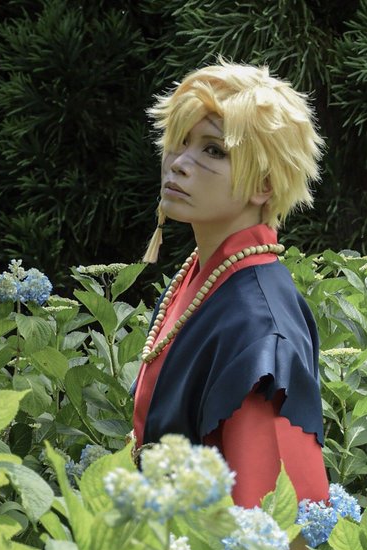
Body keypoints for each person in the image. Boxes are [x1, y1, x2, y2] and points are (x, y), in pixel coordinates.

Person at [131, 60, 329, 517]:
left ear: (264, 184)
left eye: (213, 150)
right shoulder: (203, 276)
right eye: (179, 141)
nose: (179, 164)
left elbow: (270, 522)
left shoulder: (259, 328)